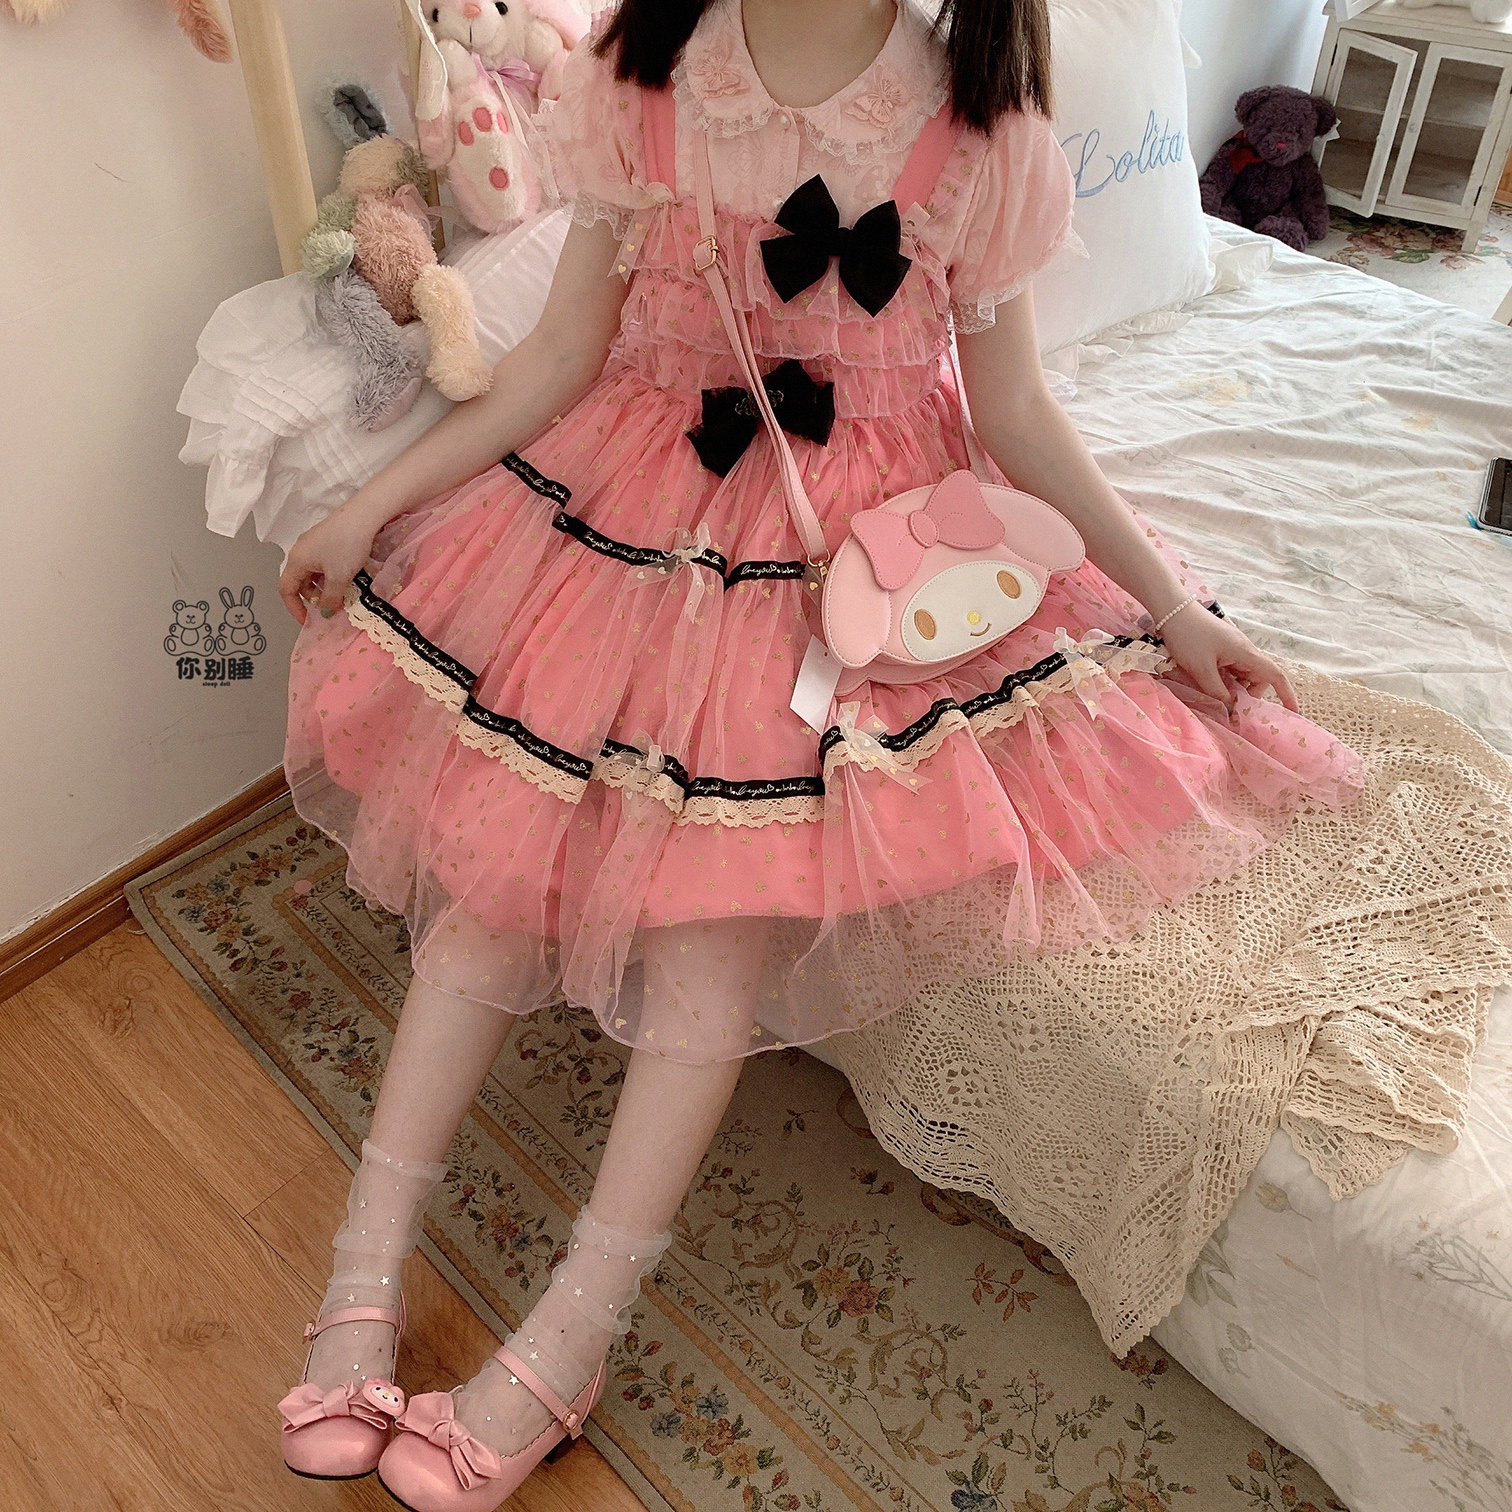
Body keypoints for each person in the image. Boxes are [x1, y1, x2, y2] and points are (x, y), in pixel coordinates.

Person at [267, 0, 1501, 1505]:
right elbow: (555, 359)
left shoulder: (979, 130)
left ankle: (573, 1333)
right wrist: (369, 505)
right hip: (631, 517)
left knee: (713, 943)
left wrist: (1175, 610)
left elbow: (1017, 410)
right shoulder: (641, 81)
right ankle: (362, 1277)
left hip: (859, 565)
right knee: (487, 889)